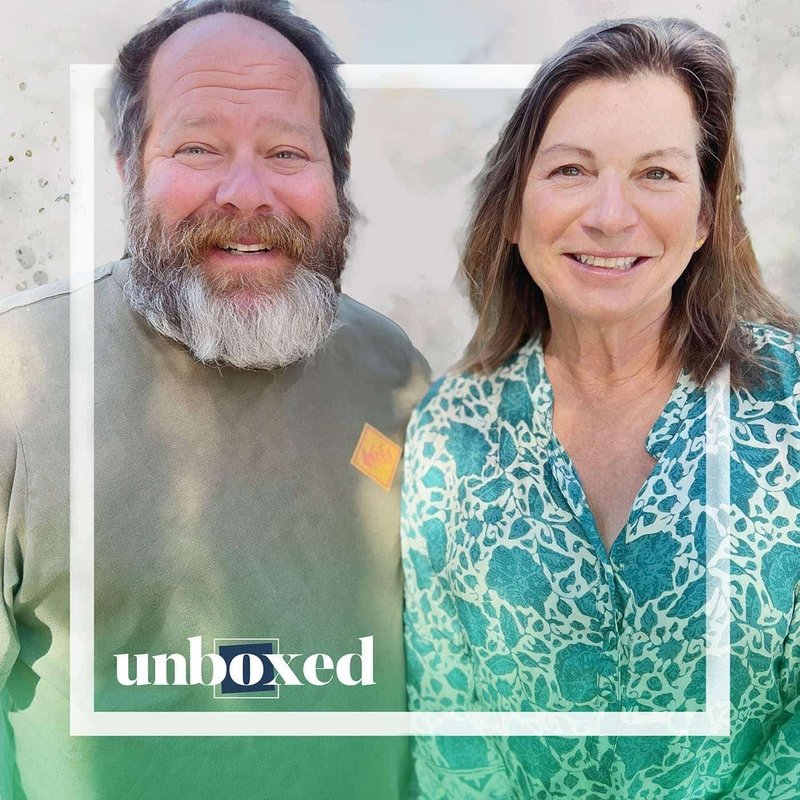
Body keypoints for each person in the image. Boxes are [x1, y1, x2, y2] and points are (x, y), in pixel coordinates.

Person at [0, 1, 428, 798]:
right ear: (128, 166)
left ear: (335, 172)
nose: (246, 193)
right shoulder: (19, 376)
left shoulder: (391, 366)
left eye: (287, 152)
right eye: (198, 147)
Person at [402, 17, 800, 800]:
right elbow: (453, 735)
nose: (611, 215)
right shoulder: (450, 432)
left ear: (705, 217)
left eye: (657, 173)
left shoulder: (790, 403)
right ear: (511, 212)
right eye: (571, 170)